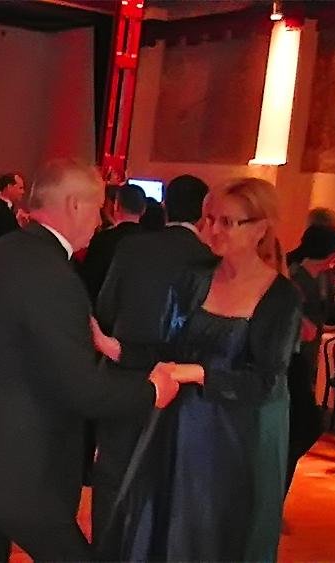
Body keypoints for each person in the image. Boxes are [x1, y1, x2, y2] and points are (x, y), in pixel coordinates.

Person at [0, 160, 178, 561]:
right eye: (98, 206)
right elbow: (84, 390)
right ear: (75, 204)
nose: (101, 219)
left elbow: (14, 350)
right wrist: (151, 391)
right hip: (20, 466)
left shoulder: (3, 251)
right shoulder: (53, 275)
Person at [93, 177, 302, 561]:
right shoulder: (194, 276)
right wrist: (117, 349)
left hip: (235, 438)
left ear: (260, 228)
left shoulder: (280, 296)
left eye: (226, 222)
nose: (213, 229)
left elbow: (266, 381)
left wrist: (201, 373)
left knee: (214, 536)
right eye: (209, 219)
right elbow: (168, 349)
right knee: (163, 530)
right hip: (178, 428)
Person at [91, 174, 213, 554]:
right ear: (204, 213)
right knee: (167, 479)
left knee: (113, 475)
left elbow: (106, 307)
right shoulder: (210, 259)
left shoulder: (133, 248)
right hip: (182, 383)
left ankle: (108, 551)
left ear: (163, 206)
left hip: (125, 372)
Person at [286, 224, 335, 496]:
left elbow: (323, 321)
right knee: (305, 426)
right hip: (291, 360)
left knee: (301, 429)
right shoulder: (294, 277)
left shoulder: (324, 279)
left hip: (307, 358)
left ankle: (279, 489)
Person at [78, 183, 146, 305]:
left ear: (116, 206)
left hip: (103, 309)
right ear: (144, 209)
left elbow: (89, 281)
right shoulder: (152, 241)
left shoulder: (103, 239)